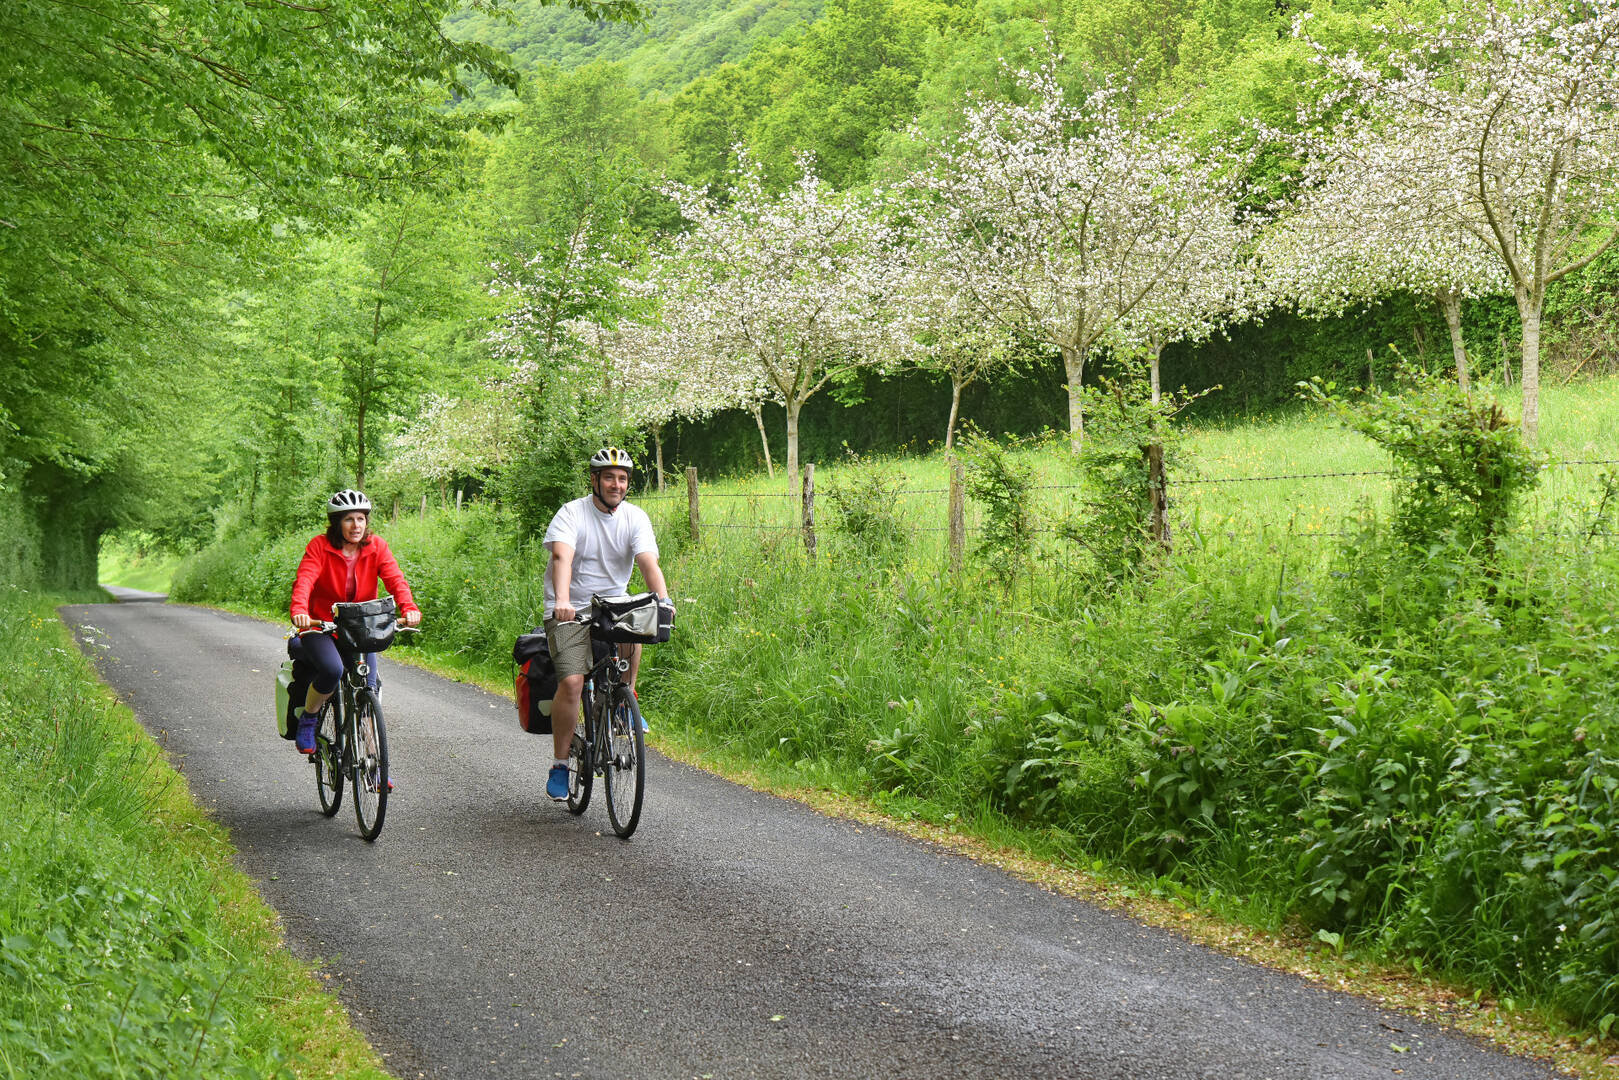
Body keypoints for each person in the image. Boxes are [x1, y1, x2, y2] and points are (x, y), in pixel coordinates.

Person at [542, 447, 673, 801]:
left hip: (612, 607)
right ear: (595, 480)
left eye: (622, 478)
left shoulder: (635, 518)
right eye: (609, 477)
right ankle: (559, 764)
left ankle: (623, 700)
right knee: (571, 683)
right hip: (570, 610)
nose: (616, 484)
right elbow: (561, 557)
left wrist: (663, 600)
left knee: (643, 616)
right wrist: (564, 601)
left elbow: (648, 563)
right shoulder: (572, 513)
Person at [288, 489, 422, 754]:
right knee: (332, 669)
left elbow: (395, 580)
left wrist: (409, 607)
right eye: (349, 519)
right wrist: (300, 610)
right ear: (337, 523)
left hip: (360, 628)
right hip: (321, 626)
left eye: (361, 519)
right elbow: (305, 580)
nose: (356, 525)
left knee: (368, 687)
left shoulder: (377, 547)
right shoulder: (320, 546)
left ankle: (373, 763)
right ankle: (310, 718)